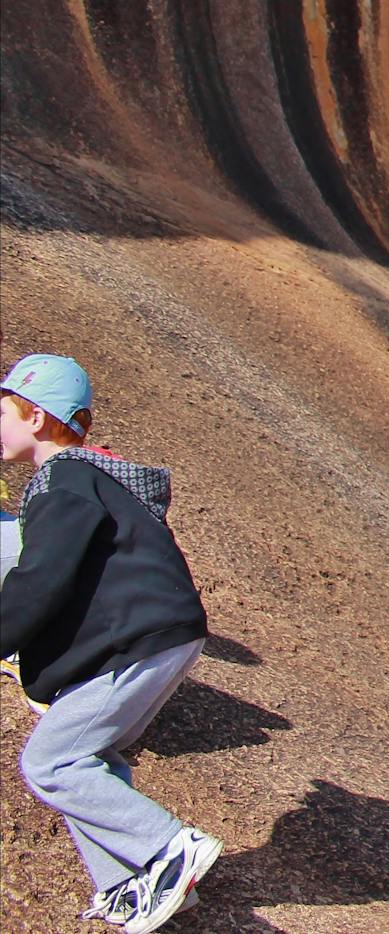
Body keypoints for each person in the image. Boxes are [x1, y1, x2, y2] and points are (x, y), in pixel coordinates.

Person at [0, 354, 221, 933]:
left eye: (1, 410)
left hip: (138, 640)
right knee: (89, 758)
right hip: (159, 637)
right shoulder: (93, 481)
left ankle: (169, 848)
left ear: (36, 419)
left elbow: (41, 580)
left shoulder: (64, 479)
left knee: (51, 763)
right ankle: (128, 882)